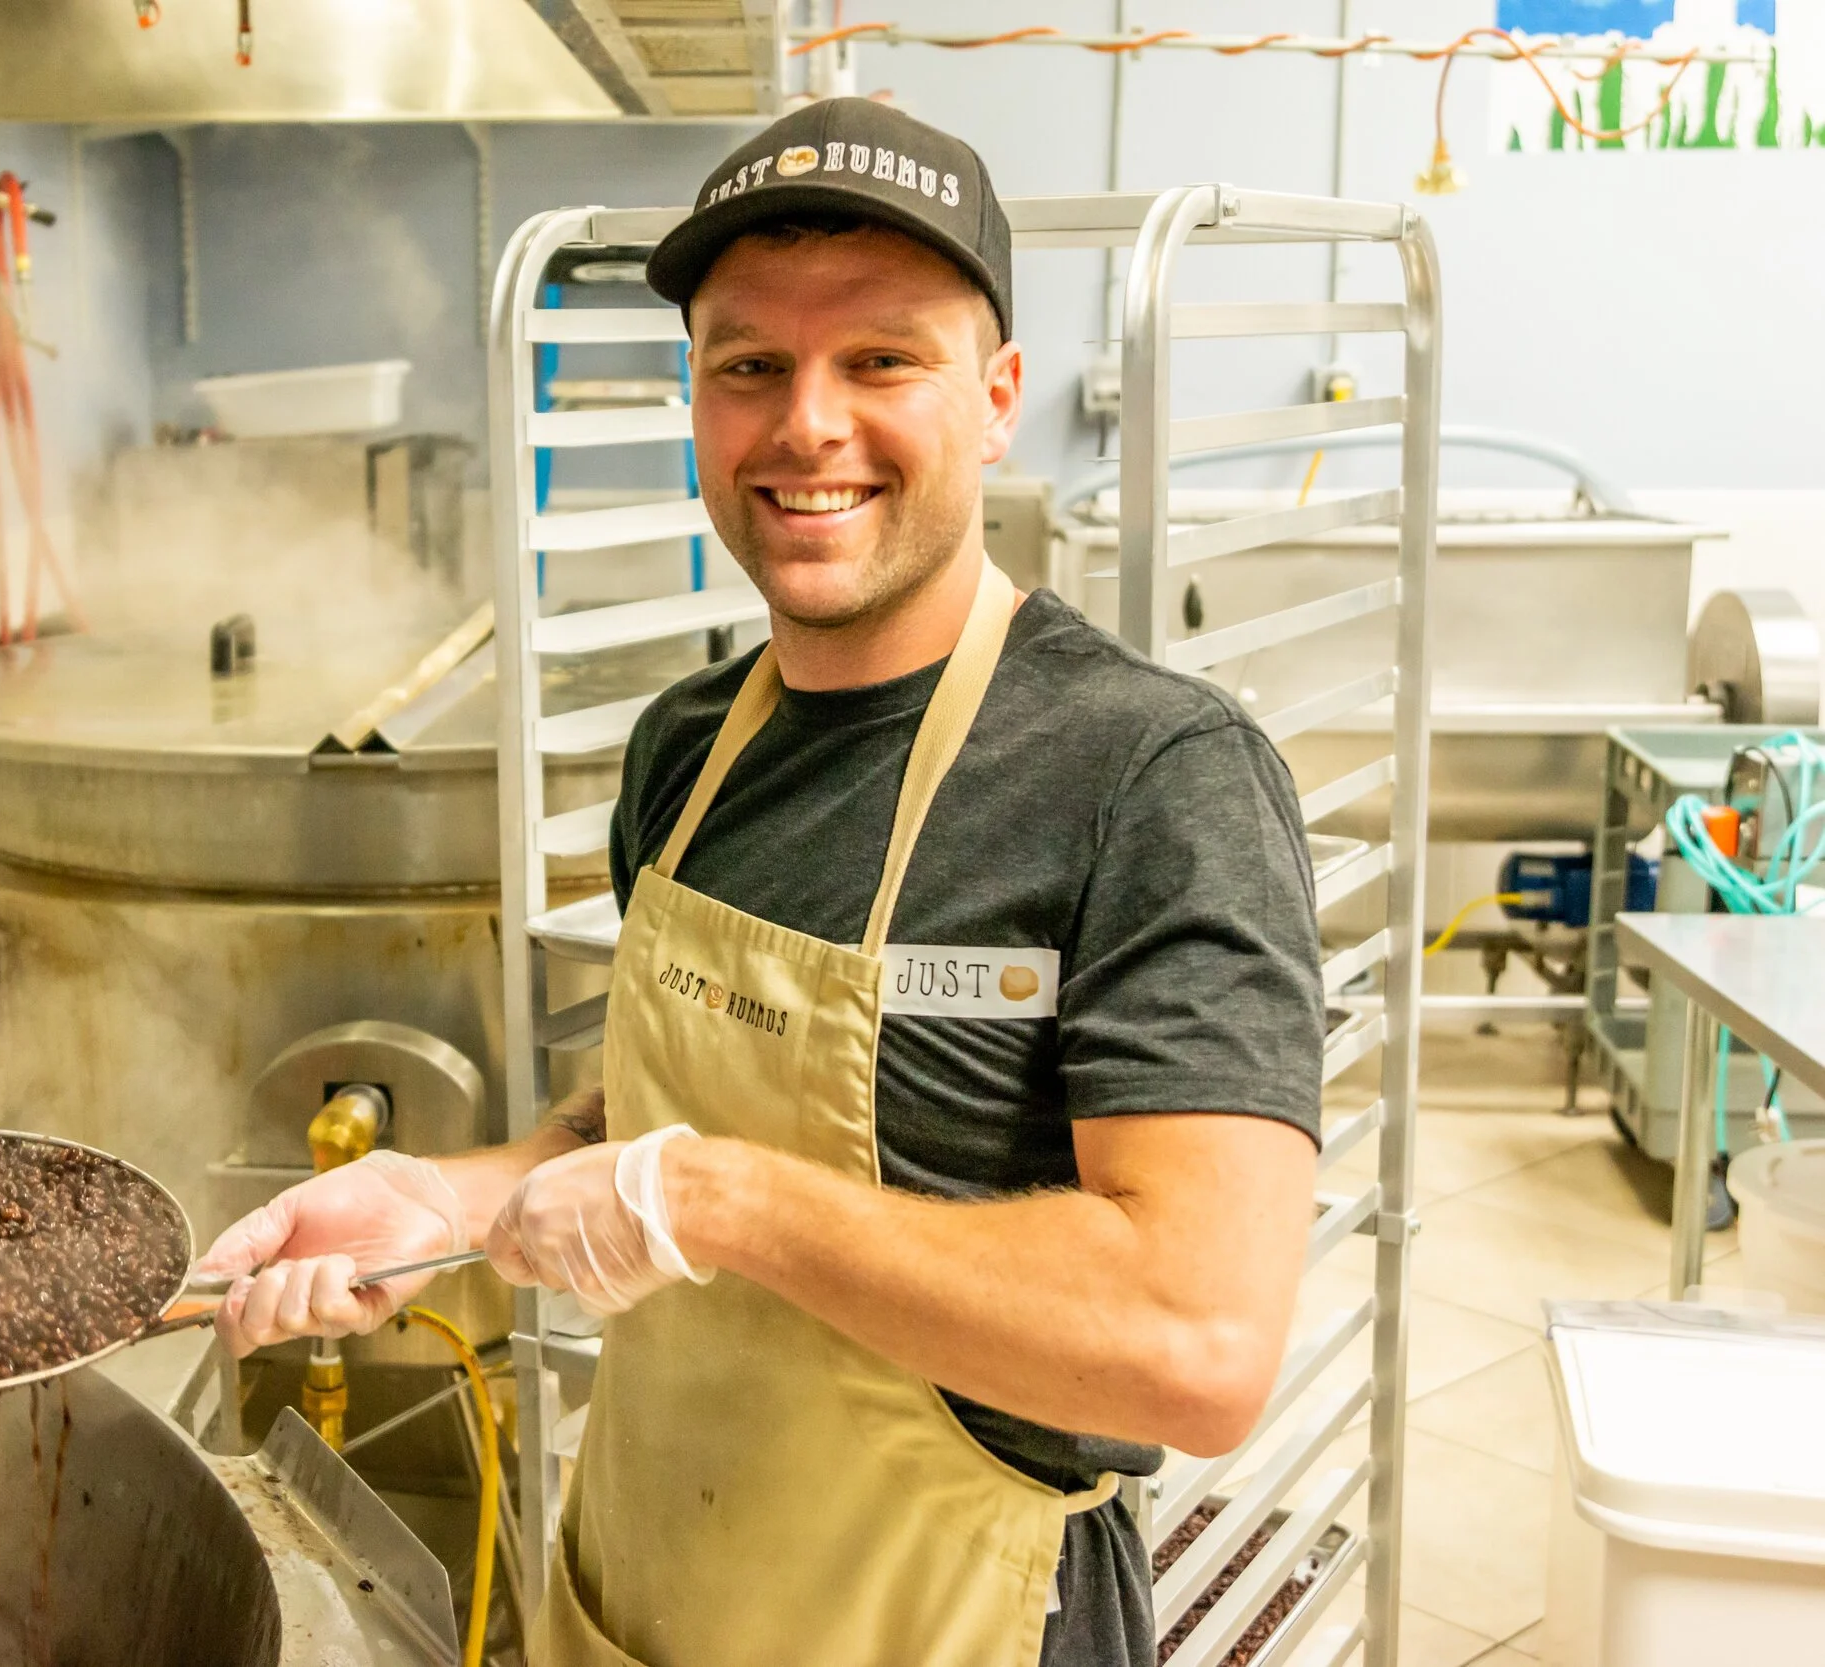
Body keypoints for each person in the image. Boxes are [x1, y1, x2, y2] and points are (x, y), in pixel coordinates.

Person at [195, 97, 1326, 1667]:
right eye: (750, 367)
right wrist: (448, 1196)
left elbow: (1195, 1342)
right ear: (697, 402)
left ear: (997, 400)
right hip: (641, 1611)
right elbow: (648, 1114)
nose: (807, 424)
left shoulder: (1151, 777)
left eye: (882, 360)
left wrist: (719, 1199)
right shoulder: (686, 748)